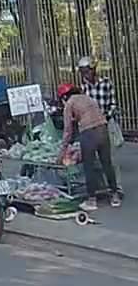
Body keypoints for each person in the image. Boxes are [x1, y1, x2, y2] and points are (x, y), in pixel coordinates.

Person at [59, 82, 120, 210]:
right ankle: (115, 196)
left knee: (89, 166)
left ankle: (91, 200)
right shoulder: (87, 98)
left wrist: (62, 151)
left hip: (88, 133)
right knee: (107, 163)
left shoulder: (69, 103)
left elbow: (68, 131)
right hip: (103, 129)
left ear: (64, 96)